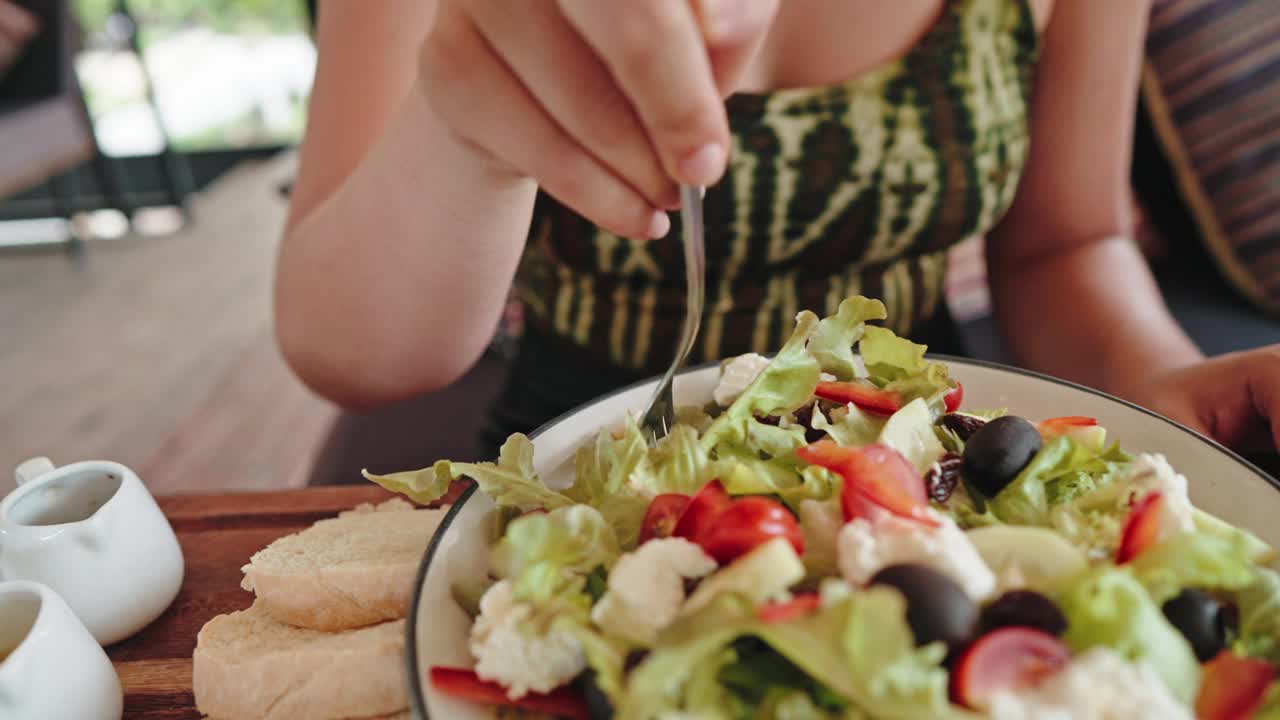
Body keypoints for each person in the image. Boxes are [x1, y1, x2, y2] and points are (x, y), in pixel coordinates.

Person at [276, 0, 1280, 471]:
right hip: (585, 452)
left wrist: (1164, 400)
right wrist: (462, 132)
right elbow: (353, 351)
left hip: (932, 448)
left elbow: (1063, 244)